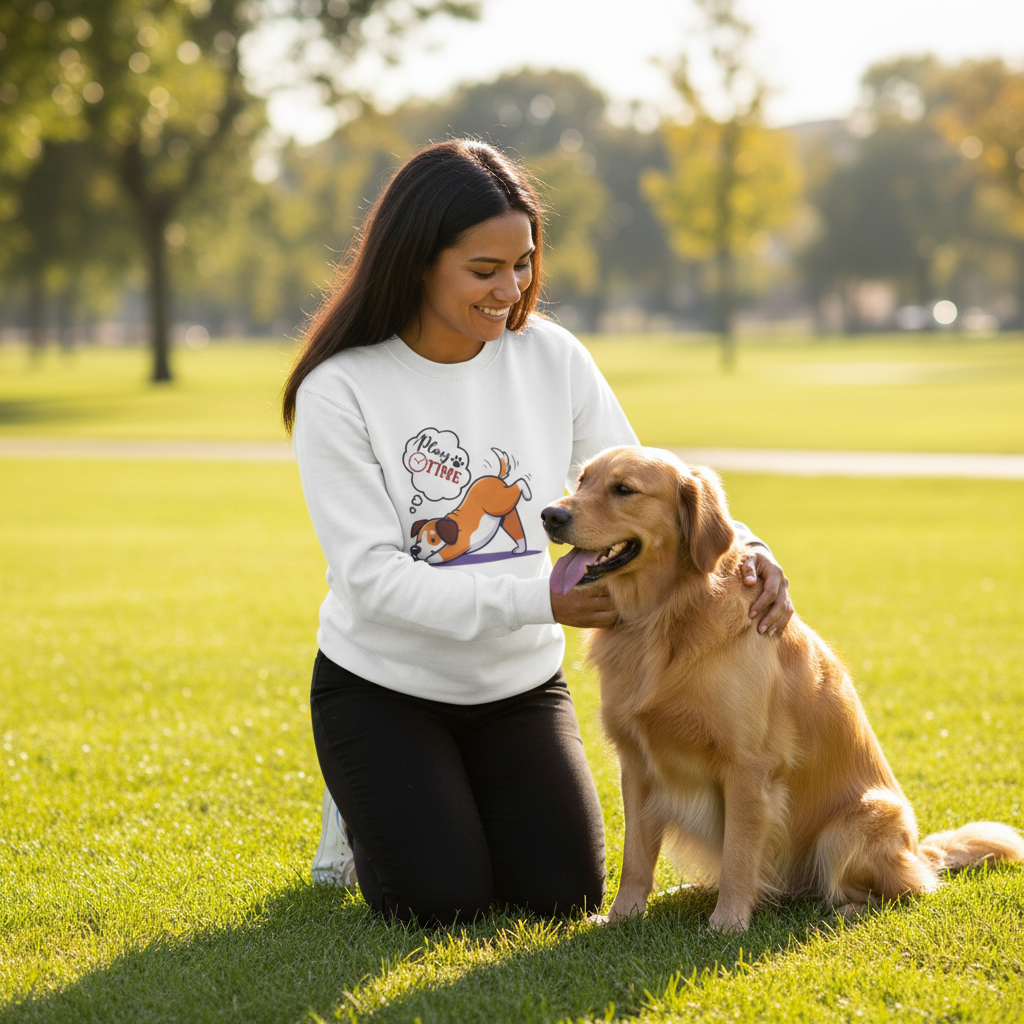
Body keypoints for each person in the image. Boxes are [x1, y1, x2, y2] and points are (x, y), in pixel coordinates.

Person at [283, 139, 793, 924]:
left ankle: (445, 800)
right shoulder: (341, 387)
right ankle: (359, 812)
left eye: (521, 263)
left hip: (516, 688)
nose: (511, 288)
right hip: (385, 688)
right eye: (483, 270)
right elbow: (371, 580)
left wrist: (751, 549)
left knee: (560, 895)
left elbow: (648, 486)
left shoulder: (550, 356)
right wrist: (542, 599)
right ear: (417, 261)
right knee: (442, 900)